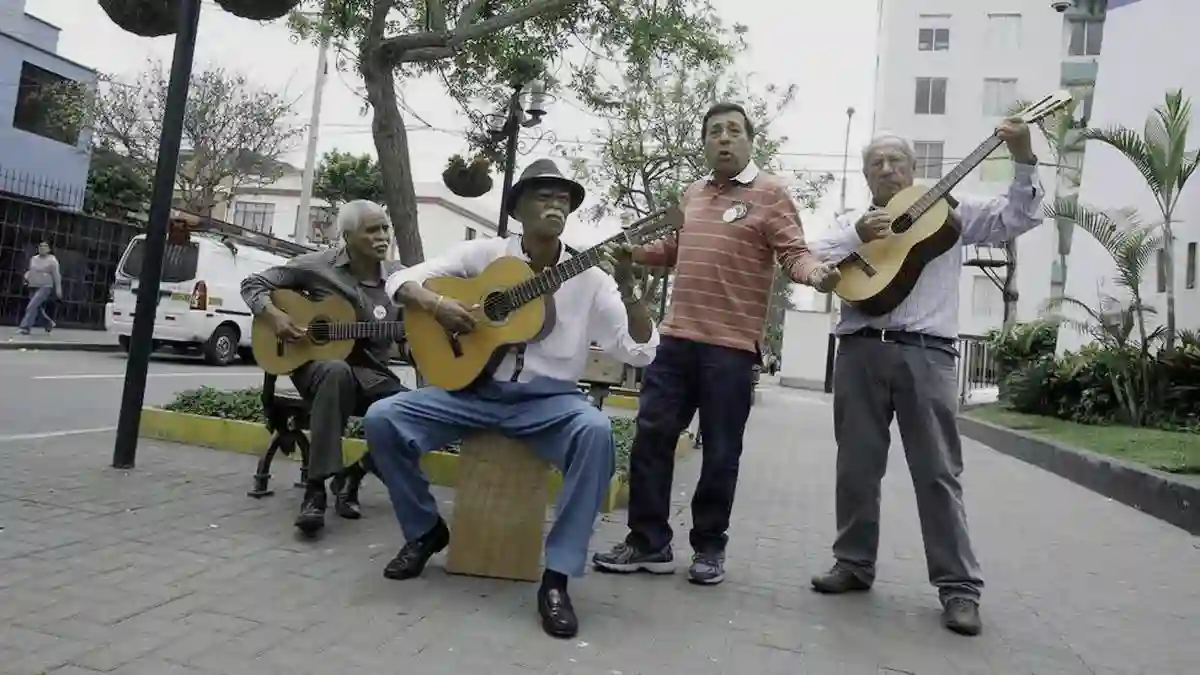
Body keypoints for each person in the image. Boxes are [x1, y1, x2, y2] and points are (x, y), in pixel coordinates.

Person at [363, 158, 657, 639]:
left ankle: (558, 577)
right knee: (382, 418)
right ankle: (424, 530)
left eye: (563, 198)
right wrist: (438, 305)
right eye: (544, 195)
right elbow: (400, 280)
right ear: (518, 208)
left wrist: (629, 292)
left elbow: (639, 352)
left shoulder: (591, 275)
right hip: (472, 390)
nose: (556, 203)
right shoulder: (485, 256)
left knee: (596, 432)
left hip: (550, 404)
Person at [806, 119, 1044, 637]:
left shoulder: (949, 213)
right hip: (859, 352)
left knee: (937, 474)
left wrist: (1023, 156)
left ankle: (959, 589)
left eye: (897, 161)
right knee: (857, 468)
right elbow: (808, 255)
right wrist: (856, 235)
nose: (888, 168)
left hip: (928, 354)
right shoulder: (851, 220)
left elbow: (1019, 215)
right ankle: (853, 564)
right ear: (866, 174)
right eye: (877, 162)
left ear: (916, 171)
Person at [592, 102, 840, 585]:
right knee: (651, 439)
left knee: (722, 452)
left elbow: (794, 254)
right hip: (677, 340)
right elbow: (675, 250)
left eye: (732, 131)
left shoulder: (771, 195)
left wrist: (818, 275)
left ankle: (709, 548)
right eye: (713, 132)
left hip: (730, 348)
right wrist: (634, 252)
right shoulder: (693, 194)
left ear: (750, 140)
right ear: (704, 143)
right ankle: (648, 542)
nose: (722, 139)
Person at [240, 200, 407, 536]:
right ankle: (315, 492)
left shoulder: (398, 280)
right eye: (372, 230)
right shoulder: (317, 266)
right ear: (347, 236)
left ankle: (354, 474)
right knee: (335, 371)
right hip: (315, 369)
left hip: (370, 373)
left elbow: (405, 338)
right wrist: (276, 316)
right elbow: (252, 284)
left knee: (417, 411)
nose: (383, 236)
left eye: (385, 228)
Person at [19, 242, 62, 334]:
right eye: (40, 246)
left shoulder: (52, 260)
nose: (42, 248)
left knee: (31, 306)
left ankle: (25, 327)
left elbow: (56, 275)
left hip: (45, 286)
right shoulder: (34, 259)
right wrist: (26, 278)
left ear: (49, 249)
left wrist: (58, 289)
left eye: (45, 247)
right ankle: (48, 323)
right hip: (33, 285)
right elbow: (31, 270)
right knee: (36, 308)